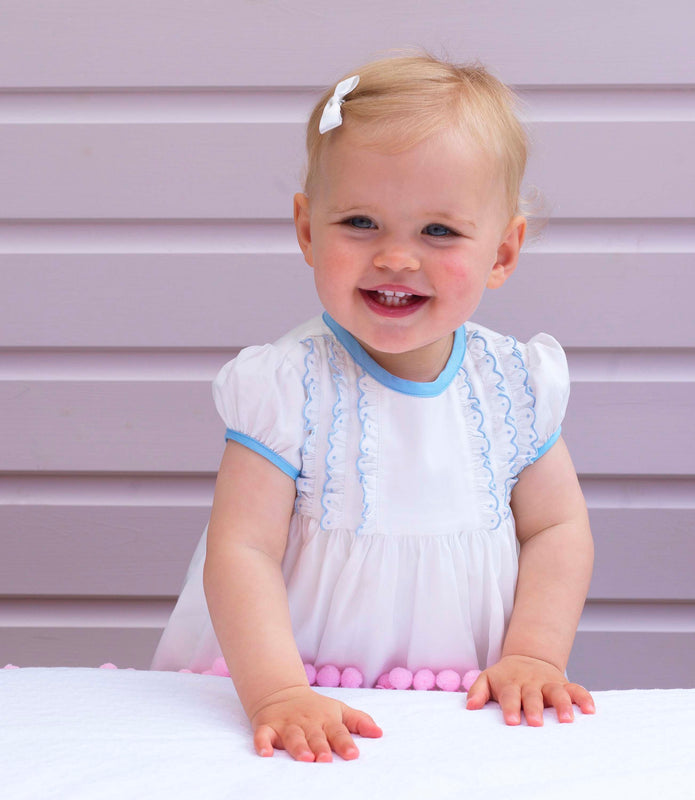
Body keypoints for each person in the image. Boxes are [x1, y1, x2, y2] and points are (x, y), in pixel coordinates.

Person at [152, 53, 595, 762]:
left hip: (459, 701)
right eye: (360, 222)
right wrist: (276, 693)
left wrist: (536, 655)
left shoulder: (512, 384)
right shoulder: (287, 389)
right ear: (306, 229)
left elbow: (557, 527)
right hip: (305, 693)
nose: (395, 257)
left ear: (503, 252)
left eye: (438, 232)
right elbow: (243, 550)